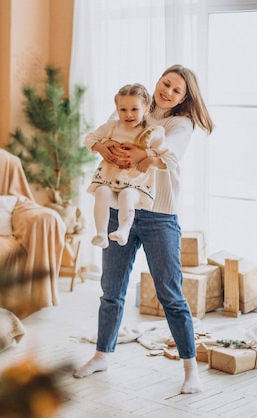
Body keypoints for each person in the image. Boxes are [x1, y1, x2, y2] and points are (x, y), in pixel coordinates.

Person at [73, 65, 215, 395]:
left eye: (177, 90)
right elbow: (105, 135)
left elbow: (166, 156)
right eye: (166, 83)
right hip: (117, 209)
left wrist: (144, 153)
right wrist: (101, 148)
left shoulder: (180, 124)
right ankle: (101, 355)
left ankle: (190, 368)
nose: (168, 91)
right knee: (111, 290)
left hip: (158, 216)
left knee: (170, 293)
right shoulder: (133, 104)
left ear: (184, 98)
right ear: (158, 82)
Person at [84, 83, 168, 249]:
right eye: (123, 110)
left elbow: (165, 156)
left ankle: (124, 230)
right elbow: (89, 138)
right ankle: (101, 233)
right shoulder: (112, 127)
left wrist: (146, 156)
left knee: (127, 196)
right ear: (117, 109)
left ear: (146, 109)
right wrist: (101, 147)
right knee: (101, 191)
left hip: (136, 184)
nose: (128, 114)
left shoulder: (153, 132)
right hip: (110, 180)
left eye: (134, 109)